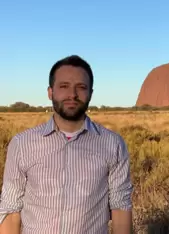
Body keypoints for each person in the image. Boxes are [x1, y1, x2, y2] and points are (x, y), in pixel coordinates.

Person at [0, 55, 133, 234]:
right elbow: (11, 210)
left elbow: (120, 207)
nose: (72, 94)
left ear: (91, 93)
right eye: (64, 86)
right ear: (50, 92)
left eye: (81, 87)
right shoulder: (22, 144)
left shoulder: (113, 144)